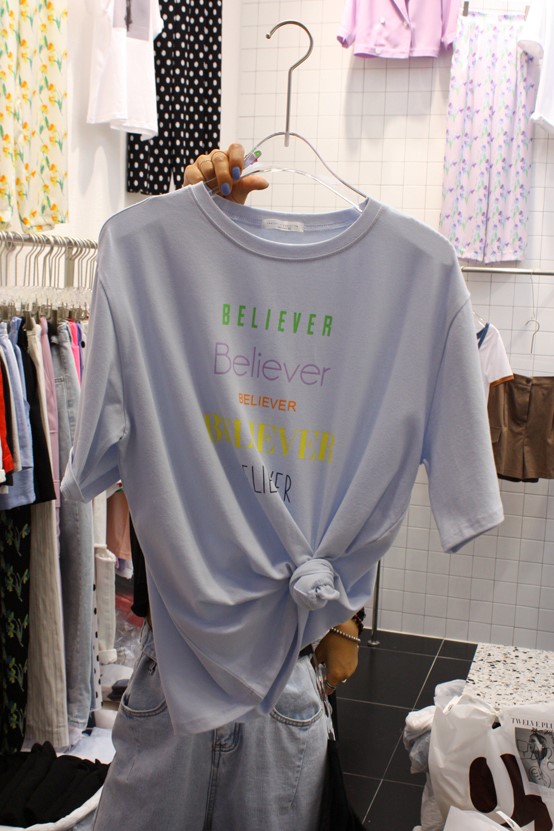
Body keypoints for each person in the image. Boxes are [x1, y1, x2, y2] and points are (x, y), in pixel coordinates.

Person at [91, 144, 364, 831]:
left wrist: (342, 620)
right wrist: (184, 231)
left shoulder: (332, 340)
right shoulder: (161, 303)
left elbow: (345, 493)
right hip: (174, 671)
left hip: (283, 675)